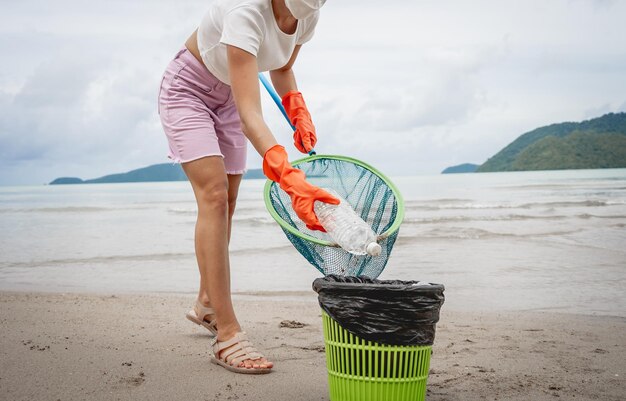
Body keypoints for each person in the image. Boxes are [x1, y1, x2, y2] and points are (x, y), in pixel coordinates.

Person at [158, 0, 337, 374]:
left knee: (230, 200)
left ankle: (207, 303)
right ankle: (227, 333)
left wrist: (297, 108)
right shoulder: (245, 11)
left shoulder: (307, 13)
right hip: (189, 91)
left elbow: (283, 66)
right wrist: (287, 175)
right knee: (214, 196)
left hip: (230, 96)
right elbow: (250, 114)